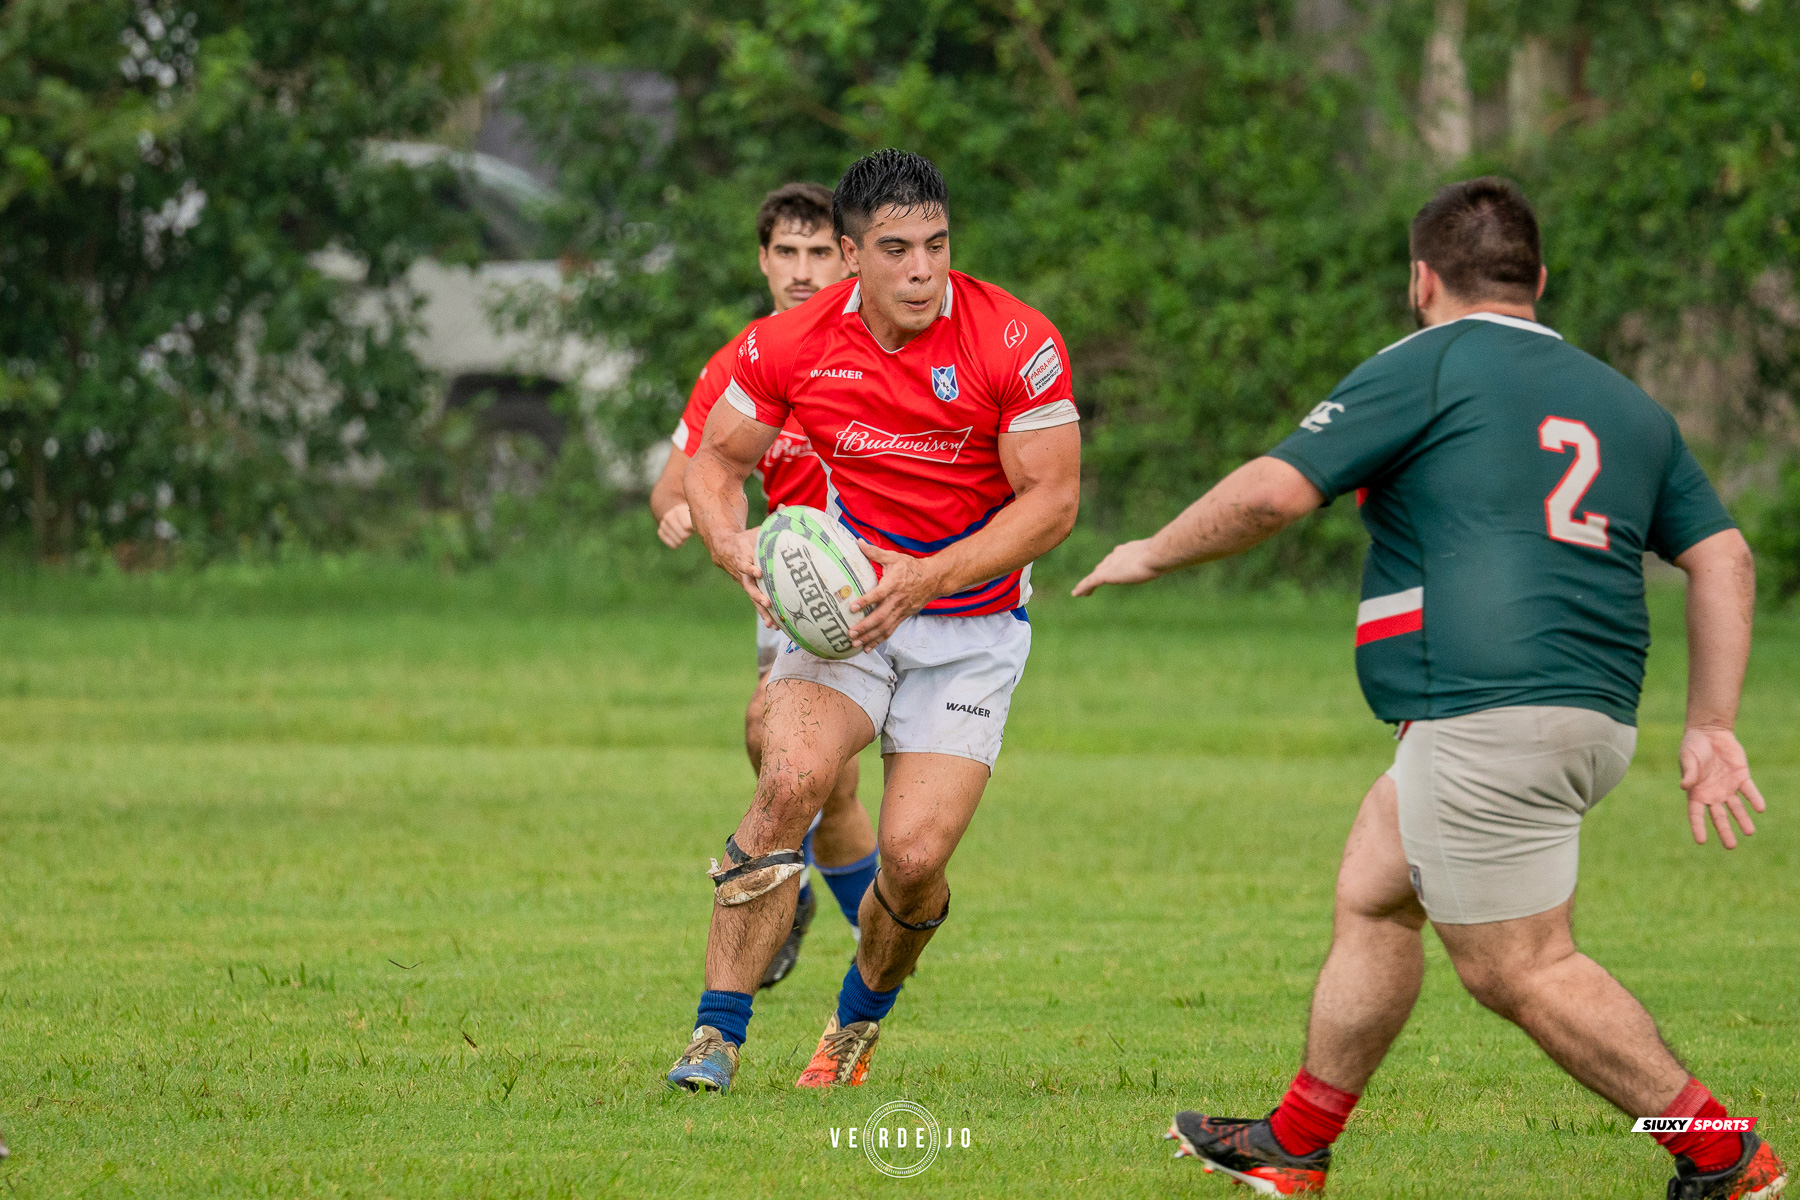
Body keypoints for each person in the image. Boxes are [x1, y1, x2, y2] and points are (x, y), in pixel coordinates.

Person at [1075, 178, 1784, 1199]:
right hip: (1587, 714)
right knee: (1375, 889)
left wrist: (1151, 550)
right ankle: (1297, 1142)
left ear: (1421, 280)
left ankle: (1720, 1153)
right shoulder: (1626, 401)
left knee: (1522, 969)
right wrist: (1711, 724)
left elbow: (1275, 491)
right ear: (1537, 281)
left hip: (1486, 712)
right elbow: (1726, 558)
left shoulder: (1431, 362)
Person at [665, 149, 1082, 1094]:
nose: (923, 270)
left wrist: (930, 575)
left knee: (914, 856)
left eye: (936, 245)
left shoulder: (1015, 340)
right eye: (896, 250)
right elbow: (715, 462)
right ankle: (713, 1037)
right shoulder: (790, 343)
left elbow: (1052, 503)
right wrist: (734, 546)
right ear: (851, 256)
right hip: (854, 614)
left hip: (970, 632)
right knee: (791, 779)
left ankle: (857, 1019)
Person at [648, 182, 880, 989]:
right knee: (781, 747)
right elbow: (678, 482)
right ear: (763, 260)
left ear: (849, 257)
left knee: (831, 786)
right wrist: (687, 516)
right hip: (800, 594)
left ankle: (823, 899)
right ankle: (843, 915)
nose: (804, 270)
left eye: (821, 252)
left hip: (894, 580)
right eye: (788, 252)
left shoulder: (886, 349)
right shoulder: (745, 361)